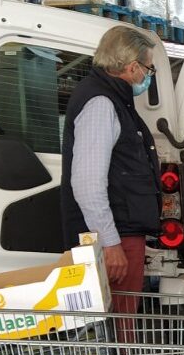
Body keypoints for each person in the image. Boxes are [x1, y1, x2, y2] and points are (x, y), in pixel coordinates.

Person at [61, 25, 161, 318]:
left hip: (120, 231)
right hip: (114, 237)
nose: (148, 76)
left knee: (120, 320)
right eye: (149, 69)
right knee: (118, 322)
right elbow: (87, 183)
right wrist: (110, 242)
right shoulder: (101, 103)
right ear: (132, 67)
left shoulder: (112, 98)